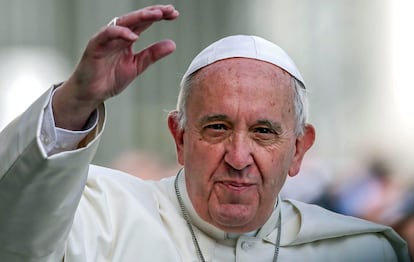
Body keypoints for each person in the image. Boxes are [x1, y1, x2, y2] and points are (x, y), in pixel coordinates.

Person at [0, 4, 409, 262]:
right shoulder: (97, 217)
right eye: (217, 127)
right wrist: (76, 100)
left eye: (264, 132)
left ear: (299, 149)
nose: (238, 156)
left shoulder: (360, 250)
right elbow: (17, 238)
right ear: (179, 138)